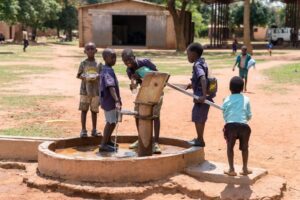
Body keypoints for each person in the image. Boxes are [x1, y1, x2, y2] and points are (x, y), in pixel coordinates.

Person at [121, 49, 162, 154]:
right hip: (144, 91)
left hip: (156, 89)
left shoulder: (145, 62)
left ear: (133, 57)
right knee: (137, 113)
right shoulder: (129, 70)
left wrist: (145, 76)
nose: (127, 63)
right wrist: (133, 84)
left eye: (129, 59)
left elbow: (159, 74)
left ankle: (155, 143)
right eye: (125, 61)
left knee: (155, 115)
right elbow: (134, 89)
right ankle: (141, 138)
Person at [222, 76, 252, 176]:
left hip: (231, 126)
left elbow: (224, 113)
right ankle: (245, 169)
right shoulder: (246, 99)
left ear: (230, 88)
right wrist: (243, 121)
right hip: (244, 127)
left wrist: (228, 121)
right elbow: (249, 115)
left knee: (230, 147)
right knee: (245, 148)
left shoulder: (226, 99)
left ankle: (231, 169)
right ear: (242, 89)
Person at [186, 42, 214, 147]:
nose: (187, 56)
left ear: (194, 53)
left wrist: (202, 95)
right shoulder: (203, 62)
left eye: (188, 54)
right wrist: (192, 85)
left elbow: (202, 78)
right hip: (205, 96)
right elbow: (202, 79)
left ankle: (200, 140)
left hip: (201, 98)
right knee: (199, 117)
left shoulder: (197, 65)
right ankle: (199, 138)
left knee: (198, 118)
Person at [99, 48, 122, 152]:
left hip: (108, 101)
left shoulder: (106, 69)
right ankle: (103, 144)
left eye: (115, 57)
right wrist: (117, 100)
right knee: (110, 122)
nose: (114, 59)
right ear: (105, 58)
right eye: (111, 57)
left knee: (113, 121)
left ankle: (108, 141)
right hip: (110, 102)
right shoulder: (107, 71)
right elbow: (111, 87)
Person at [77, 42, 101, 138]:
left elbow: (102, 75)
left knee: (94, 111)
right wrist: (85, 76)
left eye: (92, 49)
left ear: (96, 51)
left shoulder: (99, 64)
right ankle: (83, 130)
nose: (90, 51)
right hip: (85, 91)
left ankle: (94, 130)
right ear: (85, 51)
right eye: (88, 49)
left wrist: (98, 76)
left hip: (95, 91)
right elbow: (78, 75)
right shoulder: (83, 63)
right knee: (84, 110)